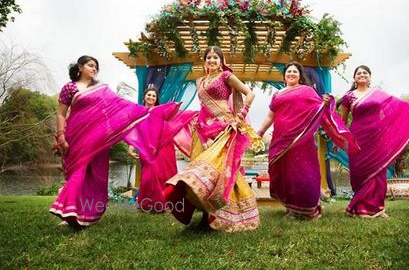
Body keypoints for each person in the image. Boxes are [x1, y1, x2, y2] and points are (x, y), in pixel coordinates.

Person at [50, 56, 190, 227]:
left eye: (96, 67)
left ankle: (85, 213)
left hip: (98, 139)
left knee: (95, 175)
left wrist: (150, 111)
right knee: (77, 171)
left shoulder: (101, 89)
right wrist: (60, 135)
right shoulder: (69, 88)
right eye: (90, 65)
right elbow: (60, 114)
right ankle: (70, 211)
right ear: (80, 67)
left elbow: (119, 106)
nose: (94, 69)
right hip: (76, 135)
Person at [164, 46, 261, 232]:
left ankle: (230, 216)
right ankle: (207, 215)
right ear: (205, 60)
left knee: (223, 172)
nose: (212, 60)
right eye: (209, 57)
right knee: (202, 173)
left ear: (222, 61)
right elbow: (202, 107)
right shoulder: (199, 81)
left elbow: (250, 93)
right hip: (203, 131)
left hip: (224, 128)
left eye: (216, 57)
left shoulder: (226, 76)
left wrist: (240, 116)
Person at [340, 65, 409, 218]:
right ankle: (358, 206)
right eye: (359, 73)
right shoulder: (349, 96)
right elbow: (342, 120)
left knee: (378, 171)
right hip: (358, 136)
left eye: (365, 73)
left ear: (370, 77)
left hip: (376, 137)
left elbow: (397, 107)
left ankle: (376, 208)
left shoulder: (378, 94)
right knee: (359, 171)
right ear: (354, 78)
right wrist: (340, 138)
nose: (362, 75)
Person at [257, 62, 359, 220]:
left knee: (301, 173)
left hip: (301, 139)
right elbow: (270, 116)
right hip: (281, 138)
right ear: (284, 75)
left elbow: (319, 108)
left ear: (300, 76)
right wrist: (261, 131)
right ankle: (291, 205)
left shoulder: (307, 91)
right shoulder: (277, 94)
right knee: (282, 172)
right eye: (289, 71)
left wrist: (325, 102)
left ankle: (304, 208)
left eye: (295, 72)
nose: (291, 74)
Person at [128, 87, 193, 212]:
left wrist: (177, 106)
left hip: (163, 147)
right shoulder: (138, 112)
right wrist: (131, 147)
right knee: (148, 176)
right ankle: (147, 204)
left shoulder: (160, 111)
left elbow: (175, 116)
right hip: (147, 149)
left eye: (154, 96)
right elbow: (134, 130)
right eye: (149, 95)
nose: (151, 98)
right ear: (144, 97)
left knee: (163, 175)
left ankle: (164, 204)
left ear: (156, 99)